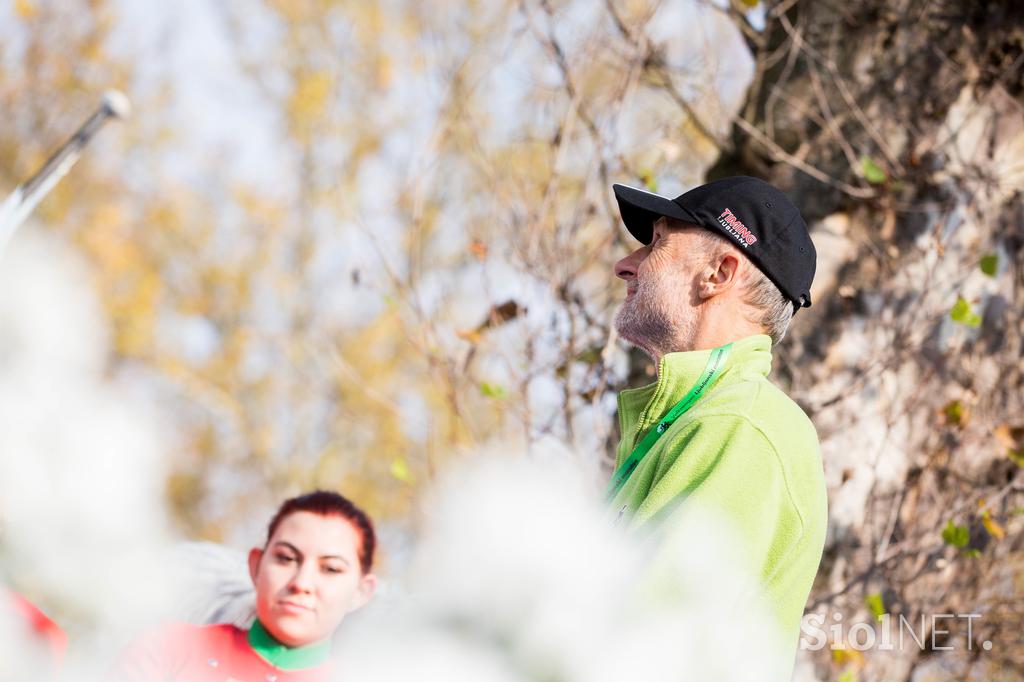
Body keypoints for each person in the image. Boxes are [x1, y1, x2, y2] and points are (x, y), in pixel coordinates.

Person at [607, 176, 828, 665]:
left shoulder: (741, 427)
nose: (625, 265)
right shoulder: (691, 422)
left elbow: (641, 651)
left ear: (718, 274)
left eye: (658, 243)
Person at [111, 490, 378, 681]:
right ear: (256, 566)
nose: (301, 583)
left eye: (330, 569)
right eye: (285, 558)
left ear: (361, 592)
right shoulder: (168, 647)